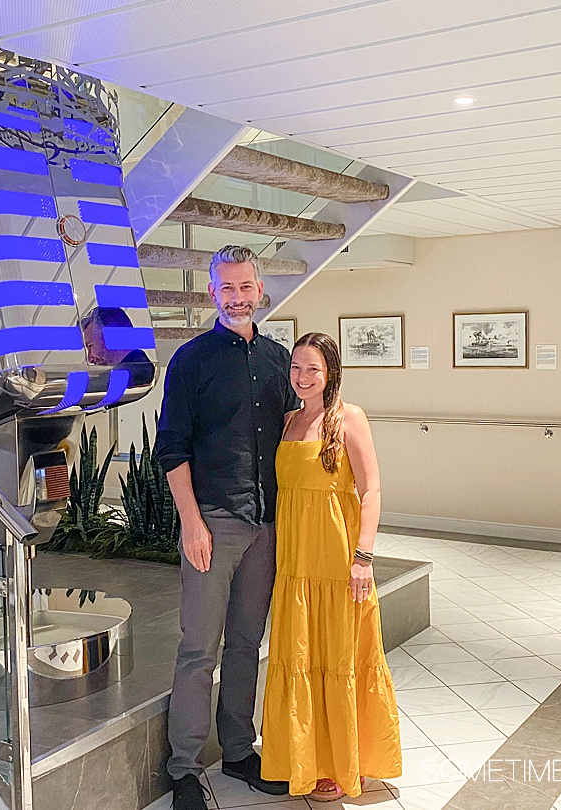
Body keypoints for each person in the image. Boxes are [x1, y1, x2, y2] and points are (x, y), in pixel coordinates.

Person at [154, 245, 299, 810]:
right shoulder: (190, 361)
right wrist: (191, 523)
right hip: (212, 522)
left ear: (259, 289)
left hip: (266, 525)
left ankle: (239, 750)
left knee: (247, 643)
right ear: (211, 293)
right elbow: (172, 449)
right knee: (199, 647)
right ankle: (185, 767)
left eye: (245, 287)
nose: (237, 297)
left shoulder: (277, 360)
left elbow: (295, 434)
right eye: (226, 288)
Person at [260, 331, 401, 801]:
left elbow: (372, 490)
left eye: (312, 369)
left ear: (331, 372)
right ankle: (307, 760)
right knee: (301, 657)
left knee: (339, 659)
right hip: (295, 566)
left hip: (339, 564)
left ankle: (344, 764)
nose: (302, 377)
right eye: (296, 367)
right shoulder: (287, 423)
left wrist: (363, 557)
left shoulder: (350, 418)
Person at [80, 305, 156, 387]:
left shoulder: (137, 371)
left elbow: (93, 386)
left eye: (91, 346)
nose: (90, 359)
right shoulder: (138, 365)